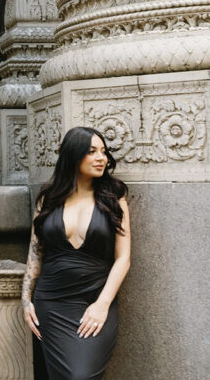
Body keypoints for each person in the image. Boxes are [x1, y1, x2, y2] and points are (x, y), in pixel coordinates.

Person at [20, 126, 131, 380]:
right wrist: (26, 299)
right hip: (52, 302)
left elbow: (123, 258)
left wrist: (102, 305)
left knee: (80, 375)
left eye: (103, 151)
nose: (101, 157)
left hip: (94, 299)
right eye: (92, 151)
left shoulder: (114, 197)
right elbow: (36, 254)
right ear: (73, 155)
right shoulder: (48, 199)